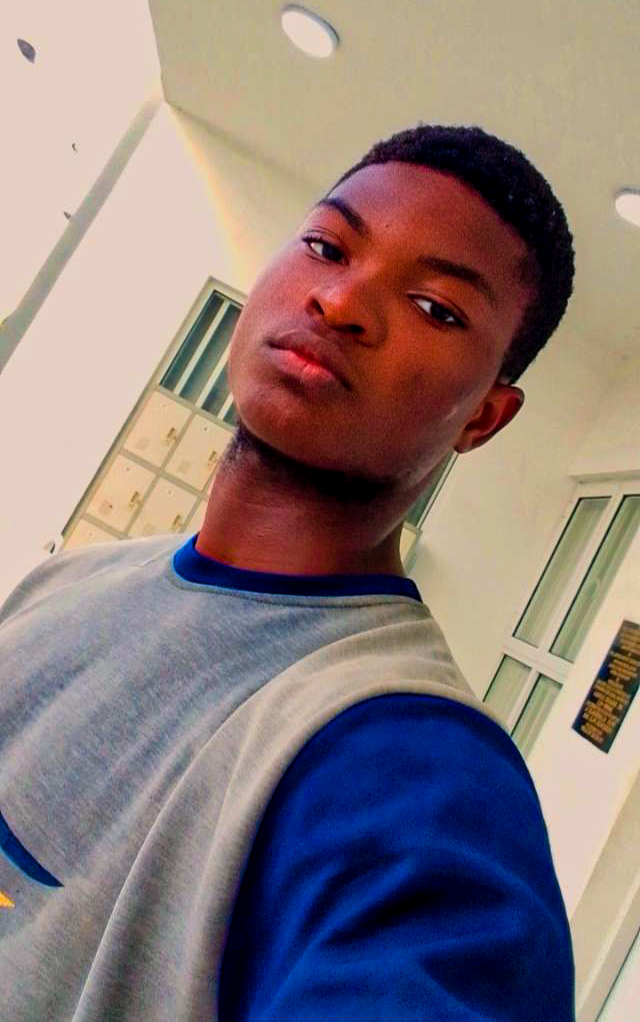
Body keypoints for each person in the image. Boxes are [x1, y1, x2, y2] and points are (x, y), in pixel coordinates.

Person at [0, 124, 576, 1020]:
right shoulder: (64, 584)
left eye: (436, 308)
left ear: (485, 418)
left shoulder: (409, 773)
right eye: (327, 246)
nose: (341, 301)